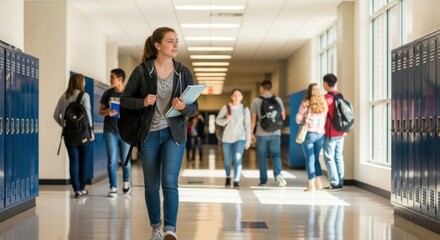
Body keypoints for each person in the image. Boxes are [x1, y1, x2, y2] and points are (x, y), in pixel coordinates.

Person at [120, 27, 198, 240]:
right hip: (149, 135)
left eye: (176, 41)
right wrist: (142, 101)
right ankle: (156, 227)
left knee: (169, 182)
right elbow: (125, 100)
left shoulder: (183, 72)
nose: (175, 45)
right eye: (170, 41)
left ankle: (170, 230)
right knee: (152, 185)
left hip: (174, 135)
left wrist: (183, 107)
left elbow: (194, 107)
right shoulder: (143, 71)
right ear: (157, 45)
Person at [53, 73, 94, 198]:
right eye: (84, 81)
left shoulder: (63, 97)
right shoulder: (84, 95)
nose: (85, 84)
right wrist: (90, 131)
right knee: (83, 162)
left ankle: (76, 189)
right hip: (83, 134)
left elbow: (55, 115)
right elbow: (88, 114)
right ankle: (82, 188)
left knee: (73, 162)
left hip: (69, 135)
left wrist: (64, 126)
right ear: (80, 83)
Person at [99, 68, 132, 197]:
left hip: (125, 131)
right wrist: (108, 112)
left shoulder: (129, 94)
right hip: (110, 130)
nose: (110, 79)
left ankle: (126, 182)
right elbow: (100, 111)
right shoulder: (107, 93)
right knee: (112, 160)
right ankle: (113, 187)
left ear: (120, 79)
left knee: (125, 160)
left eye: (112, 77)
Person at [250, 80, 287, 187]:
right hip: (275, 133)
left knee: (262, 157)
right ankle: (278, 175)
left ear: (261, 88)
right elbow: (283, 116)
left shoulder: (256, 101)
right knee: (276, 155)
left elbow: (253, 120)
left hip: (261, 134)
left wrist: (251, 133)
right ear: (271, 88)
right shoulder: (277, 99)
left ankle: (263, 180)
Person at [216, 88, 251, 189]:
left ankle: (236, 180)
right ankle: (228, 176)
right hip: (227, 138)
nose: (237, 97)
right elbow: (218, 121)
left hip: (240, 137)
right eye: (235, 95)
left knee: (237, 158)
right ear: (231, 97)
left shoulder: (245, 109)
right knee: (227, 161)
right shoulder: (226, 108)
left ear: (242, 97)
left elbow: (248, 126)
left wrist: (248, 141)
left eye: (239, 95)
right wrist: (226, 119)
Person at [295, 83, 328, 191]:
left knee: (310, 159)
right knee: (316, 158)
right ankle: (319, 184)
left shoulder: (306, 103)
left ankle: (311, 185)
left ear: (308, 92)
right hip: (320, 135)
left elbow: (298, 119)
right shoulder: (324, 104)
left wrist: (305, 119)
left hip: (309, 134)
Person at [322, 73, 346, 190]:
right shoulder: (340, 96)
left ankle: (334, 182)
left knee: (328, 157)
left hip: (330, 132)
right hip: (341, 132)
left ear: (325, 83)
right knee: (338, 156)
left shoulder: (326, 98)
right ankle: (340, 181)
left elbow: (323, 116)